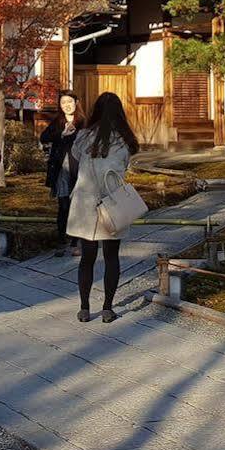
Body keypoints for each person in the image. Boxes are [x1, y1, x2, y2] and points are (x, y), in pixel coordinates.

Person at [66, 91, 141, 324]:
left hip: (85, 203)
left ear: (96, 110)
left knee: (87, 258)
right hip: (113, 204)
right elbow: (124, 166)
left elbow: (73, 162)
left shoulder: (83, 137)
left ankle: (84, 308)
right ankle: (108, 307)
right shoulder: (125, 140)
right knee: (111, 257)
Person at [39, 90, 84, 257]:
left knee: (77, 205)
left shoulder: (83, 122)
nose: (67, 105)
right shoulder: (58, 122)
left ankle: (76, 241)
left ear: (76, 102)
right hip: (60, 170)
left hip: (79, 170)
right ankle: (61, 240)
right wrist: (61, 135)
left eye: (70, 102)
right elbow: (43, 137)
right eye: (63, 102)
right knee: (63, 205)